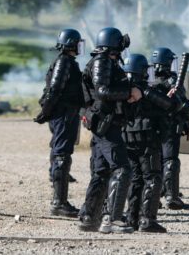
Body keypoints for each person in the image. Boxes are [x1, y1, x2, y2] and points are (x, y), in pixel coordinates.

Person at [78, 27, 142, 234]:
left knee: (101, 171)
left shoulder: (107, 62)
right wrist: (129, 93)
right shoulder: (102, 61)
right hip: (106, 125)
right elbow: (103, 91)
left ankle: (89, 216)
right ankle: (112, 220)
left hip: (106, 123)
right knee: (122, 169)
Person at [122, 53, 182, 233]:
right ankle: (147, 220)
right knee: (153, 178)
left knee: (136, 178)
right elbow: (171, 106)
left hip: (127, 139)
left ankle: (132, 218)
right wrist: (171, 96)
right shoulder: (145, 91)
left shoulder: (123, 90)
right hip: (146, 140)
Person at [34, 29, 85, 217]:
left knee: (60, 152)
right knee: (62, 154)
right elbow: (54, 89)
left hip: (65, 113)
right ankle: (59, 202)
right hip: (63, 114)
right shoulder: (64, 62)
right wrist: (45, 112)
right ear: (72, 43)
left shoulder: (67, 62)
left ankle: (59, 200)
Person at [152, 47, 189, 210]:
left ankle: (155, 195)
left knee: (154, 161)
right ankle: (171, 197)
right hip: (169, 125)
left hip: (152, 126)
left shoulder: (147, 78)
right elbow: (181, 104)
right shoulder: (172, 81)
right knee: (170, 161)